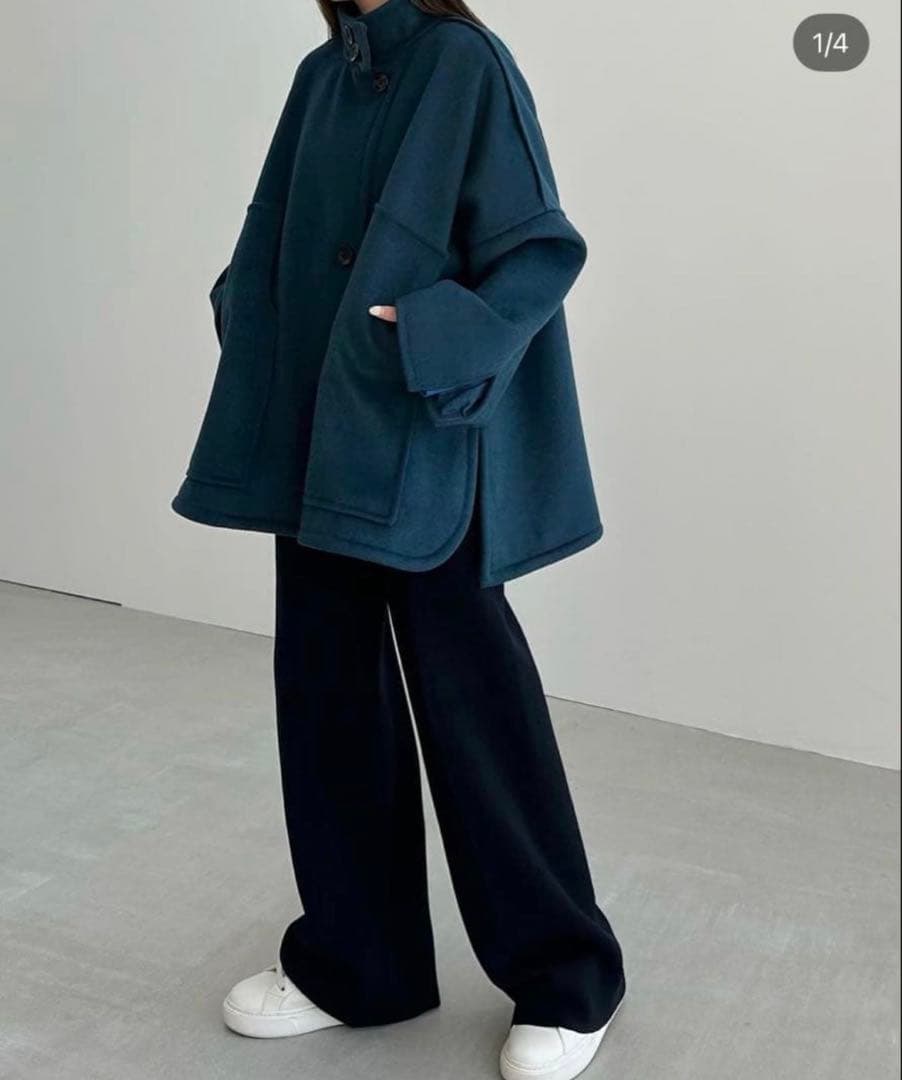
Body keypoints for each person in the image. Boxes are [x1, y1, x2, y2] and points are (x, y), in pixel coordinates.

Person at [170, 2, 626, 1077]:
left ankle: (566, 978)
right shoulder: (320, 75)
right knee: (326, 695)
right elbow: (273, 228)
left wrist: (424, 334)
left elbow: (537, 250)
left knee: (476, 713)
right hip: (317, 437)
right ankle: (357, 963)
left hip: (423, 439)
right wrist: (252, 310)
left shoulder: (466, 62)